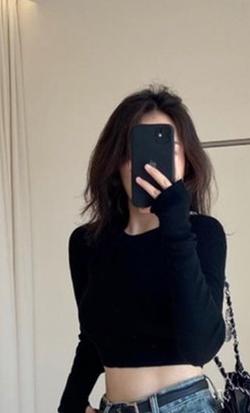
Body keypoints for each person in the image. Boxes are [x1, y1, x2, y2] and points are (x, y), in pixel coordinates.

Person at [58, 85, 227, 413]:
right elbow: (92, 339)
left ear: (186, 162)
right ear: (116, 160)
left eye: (168, 150)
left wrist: (175, 223)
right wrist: (70, 404)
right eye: (136, 149)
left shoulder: (203, 234)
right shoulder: (86, 243)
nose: (149, 165)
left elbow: (201, 346)